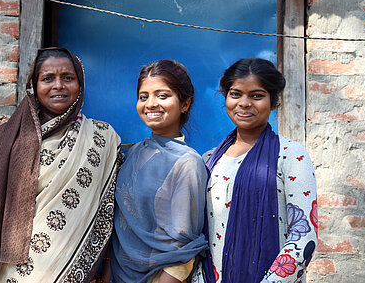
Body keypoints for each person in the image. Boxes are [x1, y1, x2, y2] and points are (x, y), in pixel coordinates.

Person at [0, 47, 122, 283]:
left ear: (80, 84)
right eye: (47, 79)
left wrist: (106, 264)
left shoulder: (102, 137)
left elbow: (109, 209)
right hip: (12, 271)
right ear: (34, 86)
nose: (58, 86)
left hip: (75, 268)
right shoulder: (6, 141)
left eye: (68, 78)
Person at [191, 58, 318, 283]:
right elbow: (199, 233)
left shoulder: (290, 155)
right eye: (236, 94)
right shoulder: (209, 159)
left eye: (256, 95)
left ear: (273, 102)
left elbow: (303, 235)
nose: (244, 103)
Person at [109, 60, 208, 283]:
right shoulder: (133, 152)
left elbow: (183, 248)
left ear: (185, 104)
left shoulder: (187, 162)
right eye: (144, 97)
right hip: (118, 275)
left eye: (162, 96)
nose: (151, 104)